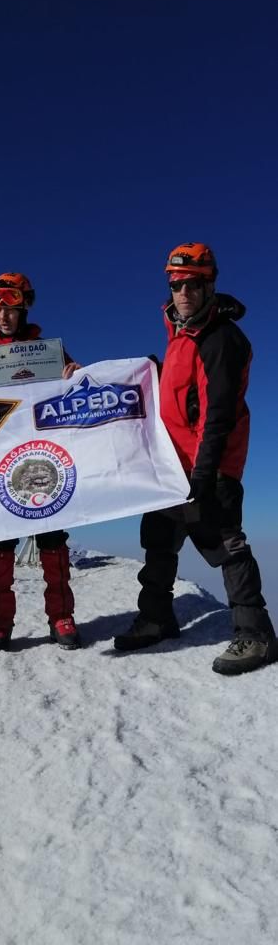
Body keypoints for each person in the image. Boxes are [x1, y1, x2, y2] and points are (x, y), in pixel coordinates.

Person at [114, 242, 277, 675]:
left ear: (209, 285)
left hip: (210, 466)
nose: (182, 292)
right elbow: (182, 393)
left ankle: (256, 636)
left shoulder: (220, 340)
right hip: (174, 465)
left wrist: (204, 476)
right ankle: (157, 619)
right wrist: (156, 372)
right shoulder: (182, 335)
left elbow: (217, 414)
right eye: (176, 284)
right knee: (159, 542)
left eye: (192, 284)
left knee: (225, 544)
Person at [0, 272, 82, 652]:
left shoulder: (48, 351)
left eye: (10, 306)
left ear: (25, 304)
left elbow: (79, 388)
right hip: (0, 460)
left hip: (44, 456)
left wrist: (74, 375)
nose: (3, 315)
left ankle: (61, 617)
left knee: (53, 539)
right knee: (0, 545)